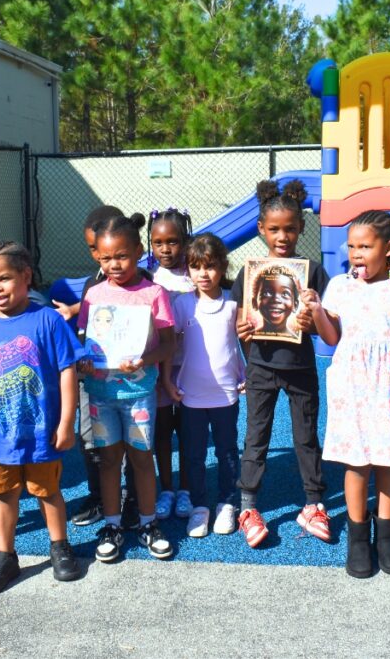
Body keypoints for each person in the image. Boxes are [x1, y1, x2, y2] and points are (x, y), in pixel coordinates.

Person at [303, 211, 390, 578]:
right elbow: (331, 338)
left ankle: (387, 535)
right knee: (356, 461)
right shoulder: (340, 287)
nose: (356, 253)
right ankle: (358, 537)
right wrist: (317, 311)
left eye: (365, 245)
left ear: (389, 248)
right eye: (352, 246)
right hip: (351, 384)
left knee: (388, 461)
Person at [0, 241, 83, 594]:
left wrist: (66, 422)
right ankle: (5, 557)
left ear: (26, 276)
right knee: (3, 495)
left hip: (43, 433)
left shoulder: (49, 321)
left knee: (48, 492)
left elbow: (67, 372)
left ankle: (60, 548)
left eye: (4, 278)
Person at [232, 179, 330, 547]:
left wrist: (313, 322)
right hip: (260, 368)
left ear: (302, 227)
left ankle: (314, 503)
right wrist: (243, 332)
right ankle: (248, 507)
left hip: (301, 367)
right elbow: (241, 324)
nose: (282, 236)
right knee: (256, 437)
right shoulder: (248, 273)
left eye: (290, 228)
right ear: (261, 229)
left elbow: (327, 325)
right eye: (274, 229)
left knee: (306, 437)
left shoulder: (313, 271)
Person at [78, 215, 176, 562]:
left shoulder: (154, 294)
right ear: (96, 258)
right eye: (105, 258)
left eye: (121, 256)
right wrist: (84, 362)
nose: (114, 265)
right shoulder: (93, 294)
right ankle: (112, 524)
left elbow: (168, 345)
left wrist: (146, 360)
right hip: (100, 396)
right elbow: (84, 343)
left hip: (138, 395)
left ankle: (148, 523)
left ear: (138, 251)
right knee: (107, 462)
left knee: (141, 460)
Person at [56, 206, 144, 531]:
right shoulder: (93, 284)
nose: (99, 255)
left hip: (130, 383)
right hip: (92, 378)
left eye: (104, 248)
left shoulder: (141, 282)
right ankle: (98, 497)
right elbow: (86, 324)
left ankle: (133, 498)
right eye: (93, 249)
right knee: (91, 438)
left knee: (133, 442)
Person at [165, 233, 246, 538]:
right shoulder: (183, 305)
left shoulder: (232, 304)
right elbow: (171, 345)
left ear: (222, 267)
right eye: (197, 267)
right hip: (190, 395)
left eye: (210, 267)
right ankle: (200, 506)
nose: (203, 274)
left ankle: (227, 502)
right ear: (188, 269)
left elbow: (241, 342)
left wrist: (246, 374)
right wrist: (166, 380)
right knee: (194, 454)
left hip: (225, 394)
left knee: (226, 452)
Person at [147, 208, 194, 522]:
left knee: (189, 432)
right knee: (162, 431)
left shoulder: (199, 275)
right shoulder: (148, 279)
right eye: (158, 242)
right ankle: (166, 487)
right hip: (159, 368)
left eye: (173, 241)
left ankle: (187, 489)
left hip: (192, 368)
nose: (165, 249)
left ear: (186, 241)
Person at [251, 264, 302, 339]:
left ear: (295, 305)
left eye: (285, 293)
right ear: (254, 303)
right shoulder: (250, 337)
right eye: (267, 293)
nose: (275, 300)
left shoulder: (297, 340)